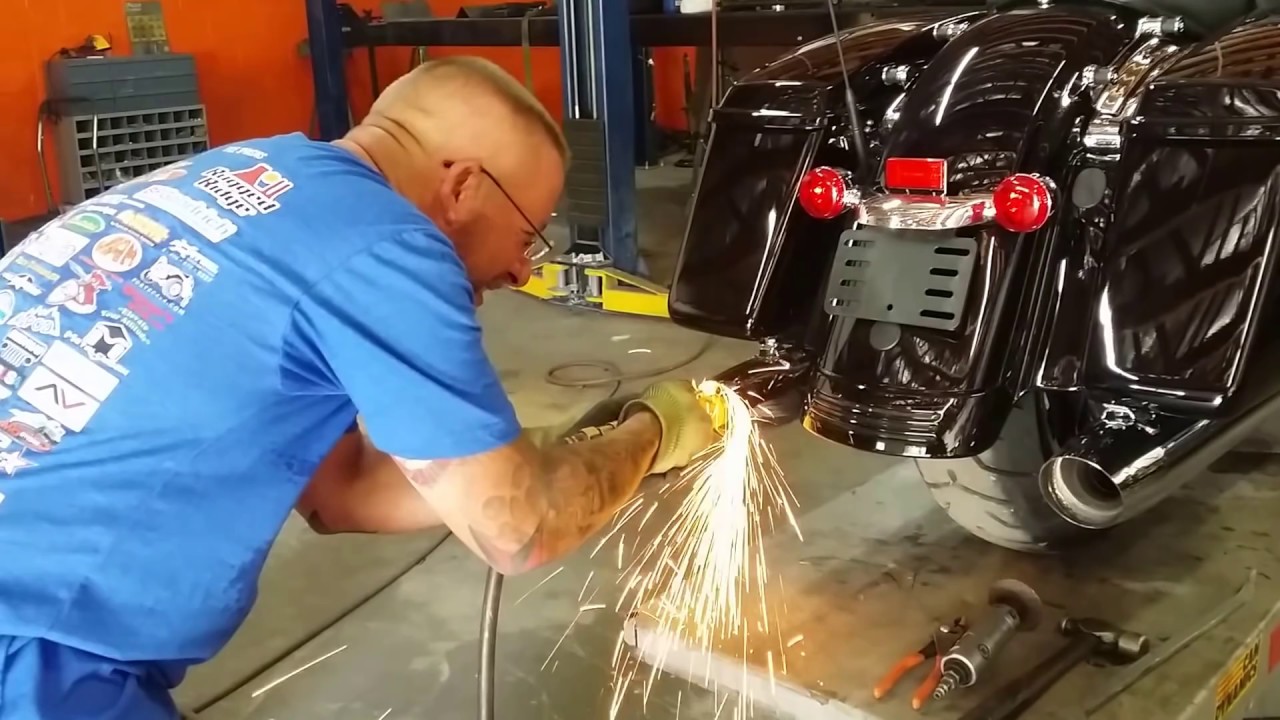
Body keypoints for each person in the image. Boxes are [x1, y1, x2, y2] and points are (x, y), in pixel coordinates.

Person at [0, 56, 718, 719]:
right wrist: (652, 435)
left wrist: (525, 465)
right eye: (527, 234)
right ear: (463, 185)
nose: (522, 271)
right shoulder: (390, 243)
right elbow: (518, 531)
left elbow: (340, 492)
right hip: (36, 649)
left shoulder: (239, 179)